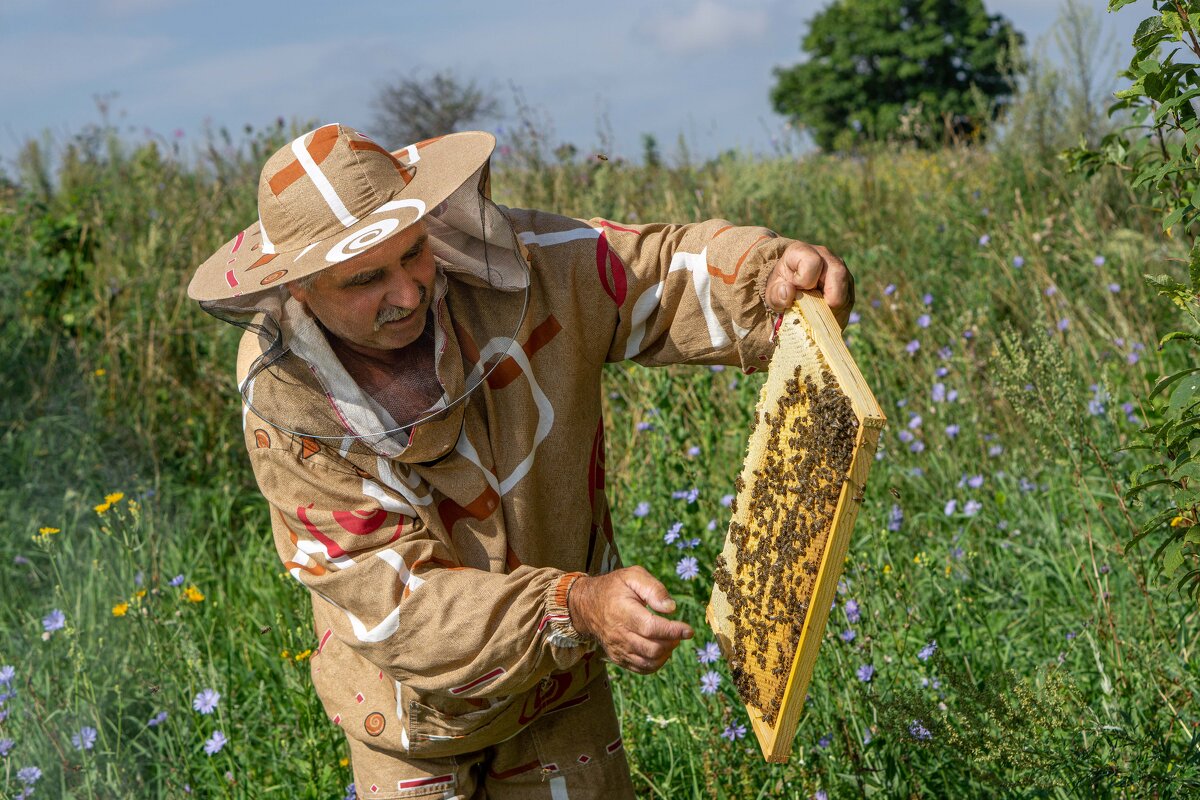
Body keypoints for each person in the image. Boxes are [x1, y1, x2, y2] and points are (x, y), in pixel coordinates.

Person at [188, 123, 853, 799]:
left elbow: (651, 269)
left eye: (413, 253)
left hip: (563, 692)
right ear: (299, 288)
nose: (410, 292)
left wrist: (767, 278)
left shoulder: (516, 264)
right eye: (366, 279)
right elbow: (400, 607)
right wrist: (576, 606)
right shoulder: (287, 406)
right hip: (413, 727)